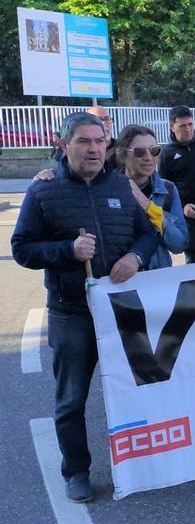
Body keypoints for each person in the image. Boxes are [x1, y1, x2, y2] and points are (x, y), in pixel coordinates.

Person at [11, 112, 160, 503]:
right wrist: (68, 250)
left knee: (137, 389)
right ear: (64, 145)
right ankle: (76, 471)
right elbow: (22, 248)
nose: (94, 149)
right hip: (71, 313)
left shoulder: (120, 185)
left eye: (99, 141)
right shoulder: (43, 191)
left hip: (122, 310)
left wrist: (135, 257)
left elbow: (148, 234)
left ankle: (143, 462)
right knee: (71, 400)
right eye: (83, 141)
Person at [112, 125, 188, 269]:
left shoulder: (168, 190)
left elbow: (179, 245)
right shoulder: (108, 189)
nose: (148, 157)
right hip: (119, 275)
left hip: (158, 277)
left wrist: (150, 208)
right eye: (139, 152)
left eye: (154, 150)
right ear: (122, 154)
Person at [159, 105, 195, 264]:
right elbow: (165, 188)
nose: (188, 129)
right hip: (187, 212)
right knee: (193, 254)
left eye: (190, 124)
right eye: (183, 126)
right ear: (172, 126)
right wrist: (182, 207)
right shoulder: (166, 153)